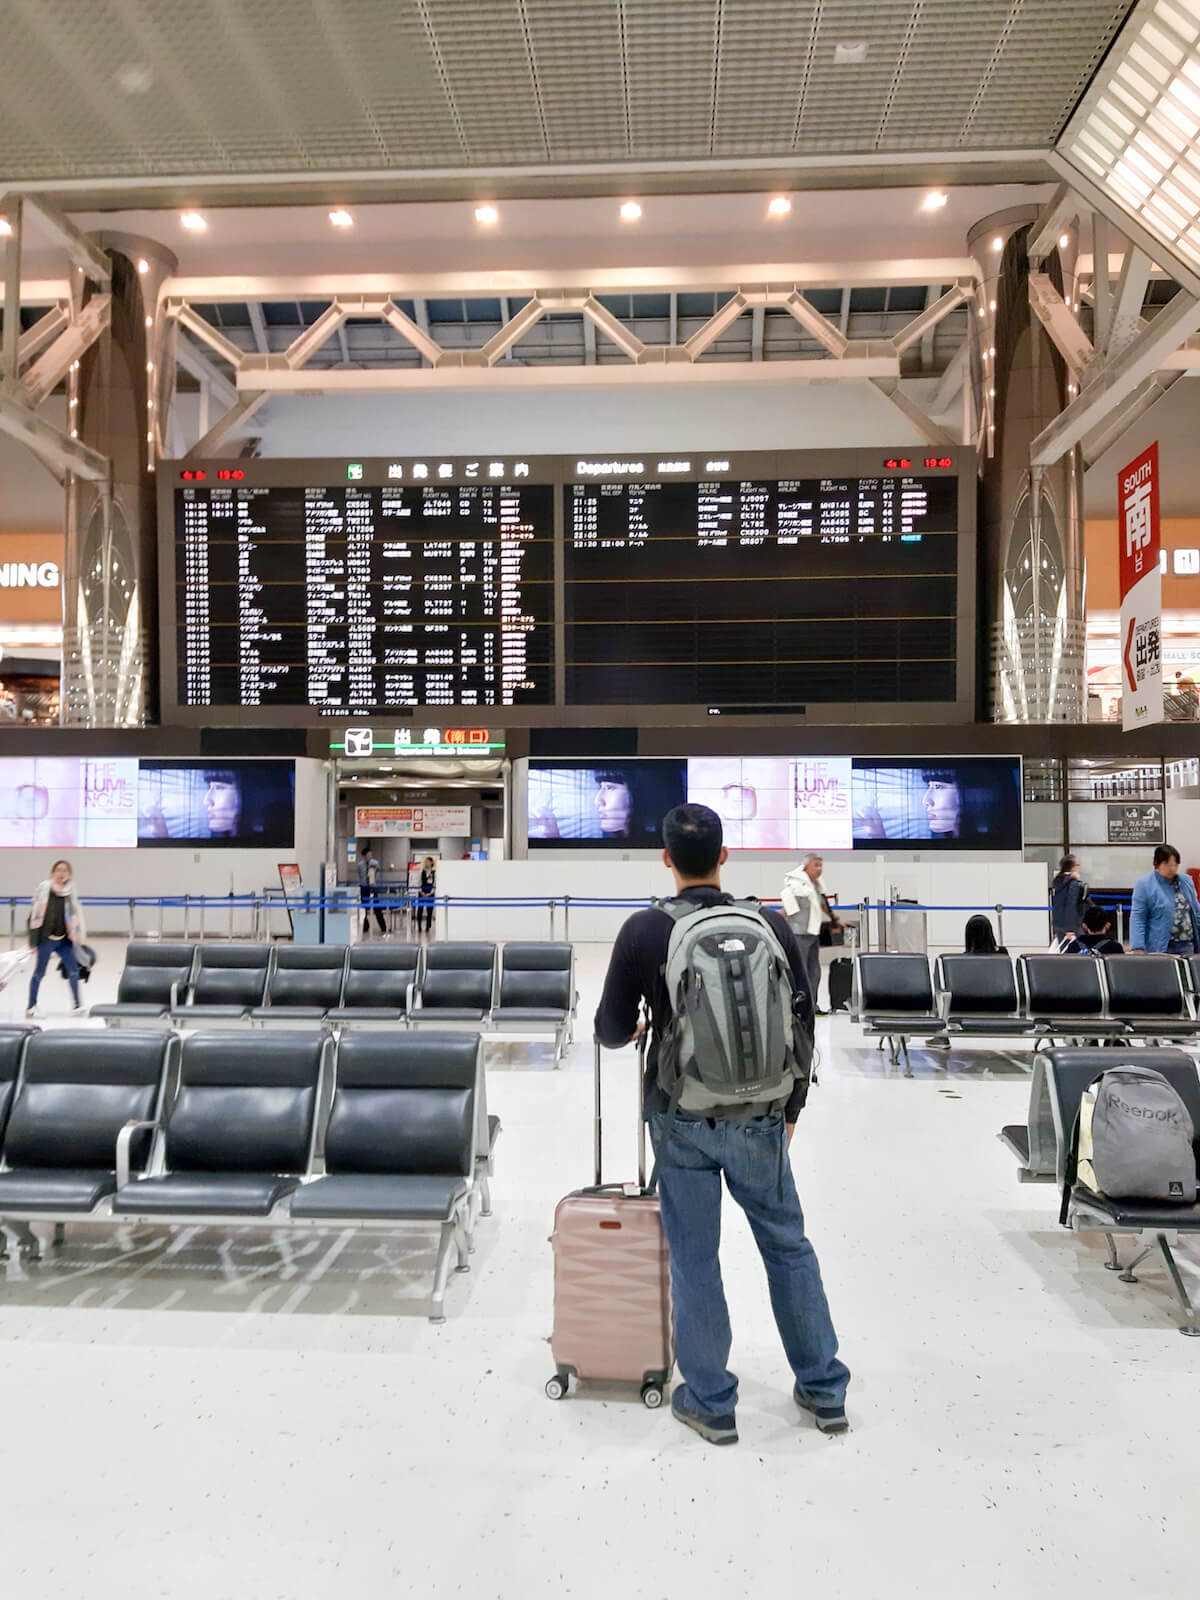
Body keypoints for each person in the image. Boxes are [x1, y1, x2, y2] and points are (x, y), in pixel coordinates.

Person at [595, 803, 850, 1447]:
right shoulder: (767, 922)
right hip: (763, 1117)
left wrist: (647, 1023)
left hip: (681, 1119)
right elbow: (803, 1020)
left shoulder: (644, 930)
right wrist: (790, 1110)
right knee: (787, 1246)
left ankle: (710, 1401)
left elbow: (609, 1032)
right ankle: (823, 1390)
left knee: (696, 1257)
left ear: (665, 859)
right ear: (724, 856)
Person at [780, 852, 843, 1016]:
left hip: (812, 934)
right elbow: (787, 908)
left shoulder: (816, 886)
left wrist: (834, 919)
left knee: (814, 971)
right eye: (816, 865)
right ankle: (797, 1006)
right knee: (799, 971)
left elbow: (823, 904)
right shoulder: (795, 884)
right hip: (798, 935)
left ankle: (812, 1005)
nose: (819, 869)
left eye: (821, 865)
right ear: (806, 866)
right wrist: (774, 923)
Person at [26, 858, 86, 1017]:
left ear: (69, 874)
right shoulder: (45, 890)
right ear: (52, 873)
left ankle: (77, 1005)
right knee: (39, 972)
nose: (61, 873)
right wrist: (33, 941)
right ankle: (31, 1007)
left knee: (73, 970)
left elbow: (73, 915)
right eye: (58, 870)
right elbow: (34, 916)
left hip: (63, 940)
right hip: (46, 939)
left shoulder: (70, 893)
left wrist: (76, 934)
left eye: (65, 870)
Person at [1129, 844, 1200, 954]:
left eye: (1176, 864)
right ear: (1157, 864)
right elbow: (1138, 918)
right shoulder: (1144, 885)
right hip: (1161, 945)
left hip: (1187, 943)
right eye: (1168, 864)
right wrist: (1138, 946)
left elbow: (1196, 911)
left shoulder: (1186, 881)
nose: (1172, 869)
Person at [1050, 855, 1085, 943]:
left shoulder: (1058, 881)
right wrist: (1070, 928)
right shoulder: (1073, 884)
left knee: (1064, 953)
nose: (1079, 867)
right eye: (1078, 865)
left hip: (1059, 923)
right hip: (1071, 926)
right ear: (1073, 867)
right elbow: (1071, 906)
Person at [357, 844, 387, 937]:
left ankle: (383, 927)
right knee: (363, 909)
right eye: (368, 855)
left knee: (377, 908)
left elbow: (377, 873)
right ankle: (365, 926)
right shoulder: (360, 865)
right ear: (364, 856)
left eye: (371, 854)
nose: (370, 856)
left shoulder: (375, 863)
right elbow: (360, 875)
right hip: (364, 888)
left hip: (373, 888)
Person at [415, 856, 436, 934]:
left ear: (431, 863)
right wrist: (421, 892)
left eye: (428, 862)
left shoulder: (434, 872)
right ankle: (419, 926)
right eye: (425, 862)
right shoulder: (421, 871)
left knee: (429, 911)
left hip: (430, 893)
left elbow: (435, 884)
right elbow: (418, 882)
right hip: (422, 893)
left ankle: (428, 926)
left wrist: (430, 893)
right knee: (420, 910)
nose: (426, 863)